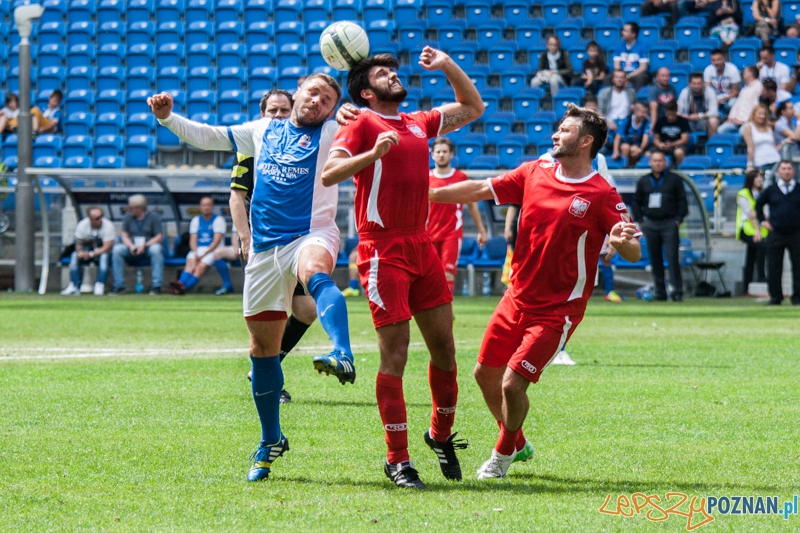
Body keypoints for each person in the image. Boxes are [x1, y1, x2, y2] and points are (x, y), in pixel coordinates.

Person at [149, 73, 357, 482]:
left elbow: (376, 126)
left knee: (315, 272)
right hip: (264, 249)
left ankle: (342, 352)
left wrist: (359, 114)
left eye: (328, 99)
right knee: (262, 350)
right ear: (298, 91)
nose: (318, 101)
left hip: (311, 232)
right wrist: (167, 118)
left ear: (332, 109)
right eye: (314, 92)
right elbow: (208, 136)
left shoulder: (334, 131)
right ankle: (271, 439)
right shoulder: (260, 130)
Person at [428, 104, 641, 479]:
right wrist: (427, 194)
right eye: (557, 128)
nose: (555, 134)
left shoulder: (602, 193)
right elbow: (479, 188)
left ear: (586, 141)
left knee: (512, 385)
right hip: (516, 297)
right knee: (484, 375)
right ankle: (518, 440)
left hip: (558, 311)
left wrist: (623, 241)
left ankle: (502, 454)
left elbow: (633, 250)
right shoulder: (534, 171)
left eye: (565, 130)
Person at [322, 48, 484, 489]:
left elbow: (473, 106)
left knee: (445, 350)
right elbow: (330, 174)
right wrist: (372, 153)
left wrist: (447, 64)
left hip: (421, 245)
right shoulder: (360, 123)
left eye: (394, 70)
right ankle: (398, 461)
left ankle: (440, 435)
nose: (394, 75)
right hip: (382, 251)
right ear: (366, 92)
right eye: (383, 73)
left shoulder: (418, 121)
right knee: (395, 356)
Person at [235, 87, 324, 404]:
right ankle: (269, 381)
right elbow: (236, 197)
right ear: (262, 114)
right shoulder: (251, 146)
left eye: (284, 110)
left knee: (307, 310)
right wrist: (245, 237)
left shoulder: (305, 144)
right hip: (264, 242)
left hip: (296, 241)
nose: (278, 115)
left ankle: (260, 371)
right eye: (272, 110)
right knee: (269, 316)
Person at [428, 136, 488, 294]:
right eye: (438, 152)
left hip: (452, 233)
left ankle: (447, 308)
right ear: (432, 155)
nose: (441, 155)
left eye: (444, 152)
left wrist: (481, 230)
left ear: (451, 154)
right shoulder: (427, 178)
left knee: (448, 273)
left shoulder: (460, 178)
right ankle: (434, 307)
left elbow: (471, 204)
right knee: (430, 275)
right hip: (429, 233)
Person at [632, 150, 688, 301]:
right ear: (650, 162)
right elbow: (636, 202)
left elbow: (682, 201)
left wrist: (678, 219)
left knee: (672, 258)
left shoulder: (674, 179)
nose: (657, 163)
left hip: (669, 223)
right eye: (655, 161)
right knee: (655, 259)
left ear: (665, 162)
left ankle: (676, 291)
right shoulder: (644, 181)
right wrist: (641, 221)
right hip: (650, 223)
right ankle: (660, 292)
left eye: (660, 161)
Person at [756, 160, 800, 304]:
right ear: (778, 172)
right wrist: (763, 221)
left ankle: (797, 297)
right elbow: (758, 205)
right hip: (776, 233)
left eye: (789, 168)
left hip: (796, 233)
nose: (786, 171)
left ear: (793, 171)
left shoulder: (798, 189)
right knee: (774, 266)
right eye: (783, 169)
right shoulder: (771, 190)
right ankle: (775, 296)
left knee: (798, 266)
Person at [168, 196, 229, 295]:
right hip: (198, 249)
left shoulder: (218, 220)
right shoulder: (196, 220)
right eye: (203, 205)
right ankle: (180, 284)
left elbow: (216, 241)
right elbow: (193, 240)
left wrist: (203, 255)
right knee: (190, 263)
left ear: (213, 207)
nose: (206, 207)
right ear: (200, 207)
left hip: (213, 250)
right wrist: (196, 253)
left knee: (200, 267)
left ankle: (183, 288)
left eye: (208, 205)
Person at [111, 194, 165, 295]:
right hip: (133, 248)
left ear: (139, 208)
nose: (129, 210)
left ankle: (156, 286)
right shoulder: (127, 218)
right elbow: (124, 236)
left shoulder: (154, 218)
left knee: (156, 249)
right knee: (117, 249)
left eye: (131, 208)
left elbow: (159, 237)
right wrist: (131, 246)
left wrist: (144, 245)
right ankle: (119, 285)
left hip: (148, 248)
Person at [60, 207, 116, 296]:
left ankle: (100, 285)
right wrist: (80, 252)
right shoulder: (82, 225)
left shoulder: (108, 225)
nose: (100, 220)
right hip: (87, 251)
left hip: (102, 253)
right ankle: (74, 286)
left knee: (104, 257)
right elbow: (78, 243)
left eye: (101, 216)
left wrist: (91, 254)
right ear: (90, 219)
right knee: (75, 255)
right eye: (97, 218)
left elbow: (107, 247)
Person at [736, 169, 768, 292]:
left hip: (757, 228)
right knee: (761, 246)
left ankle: (746, 286)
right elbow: (751, 214)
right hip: (747, 229)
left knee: (751, 256)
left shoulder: (761, 194)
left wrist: (760, 215)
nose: (760, 179)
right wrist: (757, 231)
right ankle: (761, 276)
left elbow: (763, 213)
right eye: (757, 177)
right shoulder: (743, 194)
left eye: (760, 177)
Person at [718, 66, 763, 133]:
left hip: (748, 121)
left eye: (745, 73)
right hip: (736, 121)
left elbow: (756, 106)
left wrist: (744, 121)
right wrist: (731, 117)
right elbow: (737, 105)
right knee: (721, 129)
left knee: (742, 132)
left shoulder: (759, 86)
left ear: (750, 73)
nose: (743, 75)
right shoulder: (744, 90)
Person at [612, 23, 651, 91]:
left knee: (640, 78)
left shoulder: (642, 47)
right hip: (622, 74)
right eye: (623, 30)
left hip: (636, 74)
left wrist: (628, 76)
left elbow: (643, 68)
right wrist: (621, 76)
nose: (622, 33)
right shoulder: (618, 46)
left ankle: (635, 97)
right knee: (608, 78)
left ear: (633, 34)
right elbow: (616, 66)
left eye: (625, 31)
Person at [651, 100, 691, 166]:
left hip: (677, 145)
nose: (670, 117)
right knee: (648, 154)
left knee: (679, 152)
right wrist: (659, 145)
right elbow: (656, 138)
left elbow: (684, 140)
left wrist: (671, 144)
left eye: (672, 115)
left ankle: (679, 169)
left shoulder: (683, 121)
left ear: (676, 112)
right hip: (662, 145)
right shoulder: (660, 120)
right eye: (668, 114)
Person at [744, 104, 782, 172]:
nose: (762, 116)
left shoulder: (768, 128)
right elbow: (750, 147)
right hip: (761, 162)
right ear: (753, 114)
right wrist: (750, 165)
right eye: (760, 114)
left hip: (776, 160)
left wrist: (784, 143)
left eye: (764, 114)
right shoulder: (749, 127)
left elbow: (774, 147)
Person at [598, 70, 636, 138]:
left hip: (626, 123)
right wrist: (608, 122)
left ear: (625, 79)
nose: (619, 79)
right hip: (609, 121)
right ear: (613, 79)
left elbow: (634, 109)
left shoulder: (631, 92)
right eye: (617, 77)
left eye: (622, 77)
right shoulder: (604, 93)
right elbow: (600, 111)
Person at [612, 101, 650, 168]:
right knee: (625, 147)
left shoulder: (646, 122)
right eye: (643, 112)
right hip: (625, 145)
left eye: (646, 112)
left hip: (637, 146)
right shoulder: (627, 120)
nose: (645, 115)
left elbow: (645, 139)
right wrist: (615, 151)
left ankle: (634, 167)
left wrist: (640, 149)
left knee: (634, 149)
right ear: (635, 111)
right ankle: (624, 166)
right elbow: (617, 137)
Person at [211, 223, 239, 295]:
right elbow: (235, 235)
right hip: (240, 248)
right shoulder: (240, 216)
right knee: (217, 253)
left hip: (256, 248)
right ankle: (227, 285)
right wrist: (237, 249)